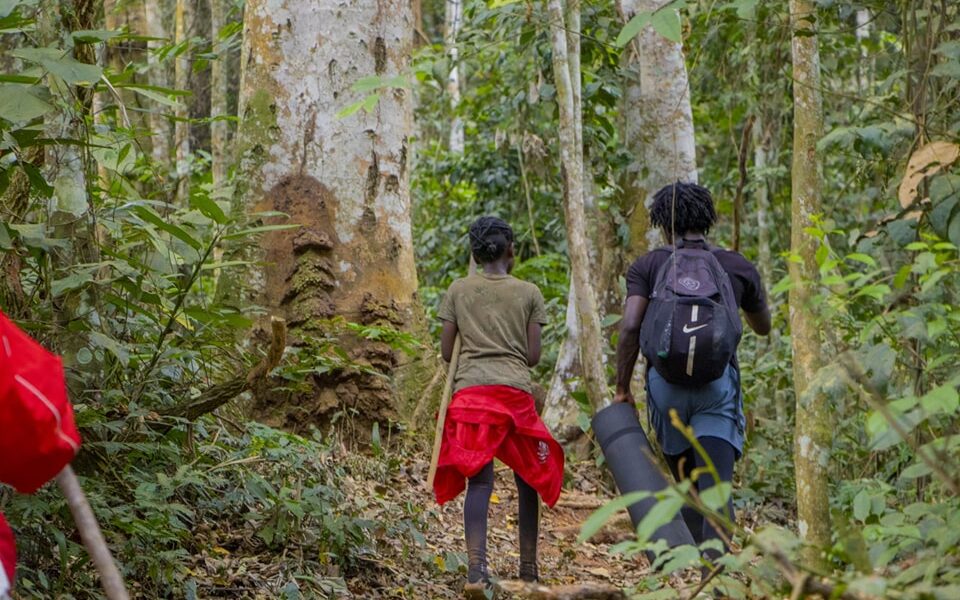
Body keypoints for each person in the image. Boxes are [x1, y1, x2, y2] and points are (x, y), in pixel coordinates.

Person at [614, 182, 771, 562]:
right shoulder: (735, 266)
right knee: (717, 491)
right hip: (717, 388)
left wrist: (622, 388)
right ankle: (713, 582)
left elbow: (631, 326)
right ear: (708, 219)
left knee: (690, 489)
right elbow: (763, 326)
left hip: (666, 392)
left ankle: (683, 564)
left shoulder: (649, 266)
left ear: (662, 225)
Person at [433, 216, 564, 593]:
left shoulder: (458, 290)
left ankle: (476, 570)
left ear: (473, 253)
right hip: (514, 395)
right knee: (529, 477)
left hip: (470, 397)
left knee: (480, 482)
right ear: (511, 251)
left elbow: (446, 352)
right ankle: (528, 569)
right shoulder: (528, 292)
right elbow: (534, 356)